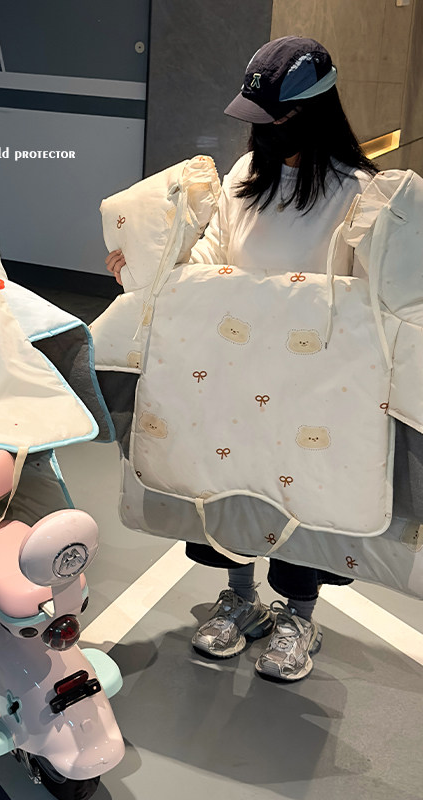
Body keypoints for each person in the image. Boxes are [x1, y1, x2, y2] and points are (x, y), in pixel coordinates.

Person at [105, 36, 378, 681]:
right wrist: (152, 271)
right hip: (231, 367)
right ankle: (240, 596)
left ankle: (299, 615)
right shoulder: (246, 176)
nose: (262, 132)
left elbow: (368, 297)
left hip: (312, 382)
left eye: (274, 118)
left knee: (299, 492)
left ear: (312, 112)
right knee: (226, 482)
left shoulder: (359, 194)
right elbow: (212, 253)